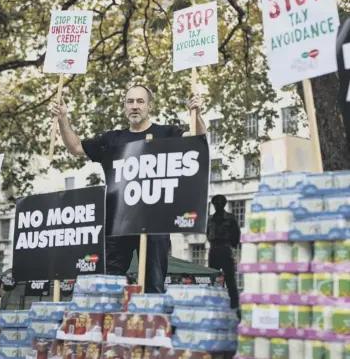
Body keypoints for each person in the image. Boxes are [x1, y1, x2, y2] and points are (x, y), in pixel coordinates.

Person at [51, 84, 207, 293]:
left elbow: (197, 141)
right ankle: (109, 322)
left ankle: (151, 322)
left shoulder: (167, 133)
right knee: (109, 281)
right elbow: (76, 147)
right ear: (124, 107)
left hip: (156, 224)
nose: (135, 106)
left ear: (149, 106)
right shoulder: (112, 139)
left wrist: (195, 114)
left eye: (140, 101)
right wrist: (63, 118)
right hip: (119, 223)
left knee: (154, 283)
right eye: (130, 101)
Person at [207, 194, 241, 312]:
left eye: (219, 203)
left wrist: (230, 245)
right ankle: (213, 300)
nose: (217, 206)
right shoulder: (210, 219)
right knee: (213, 277)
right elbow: (208, 233)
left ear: (224, 204)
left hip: (225, 248)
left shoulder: (230, 218)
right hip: (214, 248)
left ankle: (234, 304)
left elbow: (236, 234)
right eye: (215, 203)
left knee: (230, 278)